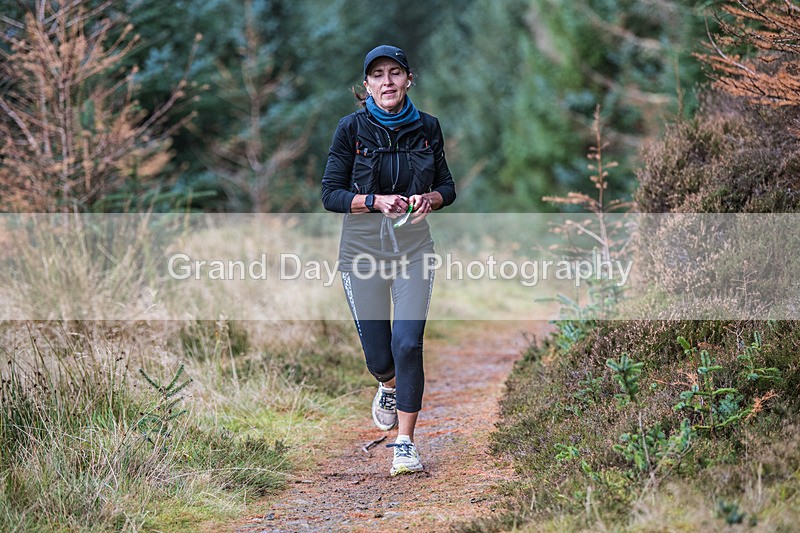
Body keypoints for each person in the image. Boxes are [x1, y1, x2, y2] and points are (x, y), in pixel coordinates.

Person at [321, 45, 456, 476]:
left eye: (395, 73)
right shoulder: (350, 130)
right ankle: (387, 385)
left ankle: (405, 443)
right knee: (381, 357)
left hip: (414, 250)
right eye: (377, 75)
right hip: (361, 254)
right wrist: (374, 201)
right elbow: (330, 194)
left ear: (408, 80)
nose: (387, 82)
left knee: (408, 344)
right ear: (367, 86)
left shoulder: (428, 128)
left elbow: (447, 187)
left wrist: (428, 199)